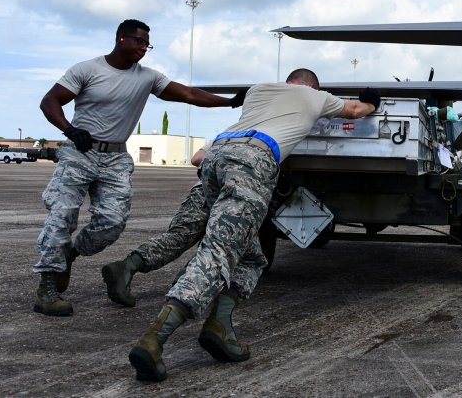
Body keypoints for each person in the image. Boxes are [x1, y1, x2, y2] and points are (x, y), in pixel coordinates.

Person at [128, 68, 379, 383]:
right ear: (313, 86)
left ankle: (219, 328)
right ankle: (154, 339)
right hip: (251, 163)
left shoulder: (259, 89)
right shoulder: (315, 96)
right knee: (218, 251)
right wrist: (371, 102)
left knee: (250, 258)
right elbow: (355, 110)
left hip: (216, 158)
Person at [32, 20, 244, 317]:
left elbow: (188, 94)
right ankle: (47, 286)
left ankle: (69, 254)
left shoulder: (147, 78)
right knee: (62, 214)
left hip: (116, 158)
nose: (143, 48)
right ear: (121, 39)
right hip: (80, 153)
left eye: (147, 44)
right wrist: (69, 129)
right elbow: (50, 101)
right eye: (139, 42)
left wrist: (230, 103)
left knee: (112, 222)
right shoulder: (87, 69)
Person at [101, 144, 212, 307]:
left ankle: (128, 266)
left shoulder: (233, 131)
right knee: (222, 245)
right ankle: (187, 285)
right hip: (239, 194)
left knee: (178, 236)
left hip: (203, 189)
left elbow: (196, 158)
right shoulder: (263, 133)